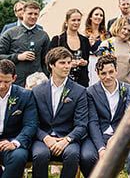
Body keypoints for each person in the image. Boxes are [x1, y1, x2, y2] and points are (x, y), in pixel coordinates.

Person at [31, 47, 88, 178]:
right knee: (40, 154)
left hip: (67, 138)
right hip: (43, 138)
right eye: (62, 63)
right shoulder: (37, 91)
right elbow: (31, 122)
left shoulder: (79, 91)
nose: (67, 66)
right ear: (51, 65)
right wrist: (46, 138)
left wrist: (67, 140)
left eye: (69, 62)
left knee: (73, 154)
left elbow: (82, 124)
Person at [79, 54, 130, 177]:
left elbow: (128, 118)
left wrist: (117, 136)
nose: (108, 77)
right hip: (98, 134)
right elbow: (93, 121)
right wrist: (101, 148)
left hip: (119, 134)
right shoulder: (90, 92)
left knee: (117, 158)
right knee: (87, 157)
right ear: (97, 74)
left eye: (111, 72)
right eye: (103, 73)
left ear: (116, 71)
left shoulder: (128, 89)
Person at [0, 58, 38, 178]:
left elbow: (30, 124)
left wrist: (16, 143)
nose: (2, 86)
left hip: (13, 139)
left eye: (6, 82)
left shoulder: (25, 95)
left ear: (14, 78)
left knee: (19, 156)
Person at [0, 1, 50, 87]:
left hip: (37, 84)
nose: (33, 16)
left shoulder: (43, 35)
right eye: (30, 13)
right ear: (23, 13)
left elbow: (47, 60)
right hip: (15, 83)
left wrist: (45, 75)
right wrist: (18, 57)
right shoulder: (10, 33)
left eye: (36, 14)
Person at [49, 9, 91, 87]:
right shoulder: (57, 40)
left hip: (81, 83)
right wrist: (68, 64)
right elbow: (50, 62)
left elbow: (87, 60)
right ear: (67, 21)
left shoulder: (85, 40)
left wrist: (84, 62)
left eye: (78, 20)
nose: (76, 23)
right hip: (62, 82)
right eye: (73, 20)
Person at [98, 17, 130, 85]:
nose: (126, 32)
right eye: (124, 28)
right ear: (118, 27)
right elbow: (100, 67)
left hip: (126, 84)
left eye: (129, 30)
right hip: (109, 84)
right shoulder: (107, 44)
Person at [83, 7, 108, 85]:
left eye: (101, 15)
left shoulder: (105, 35)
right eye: (96, 14)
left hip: (101, 62)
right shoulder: (84, 33)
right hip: (88, 63)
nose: (99, 17)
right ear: (91, 17)